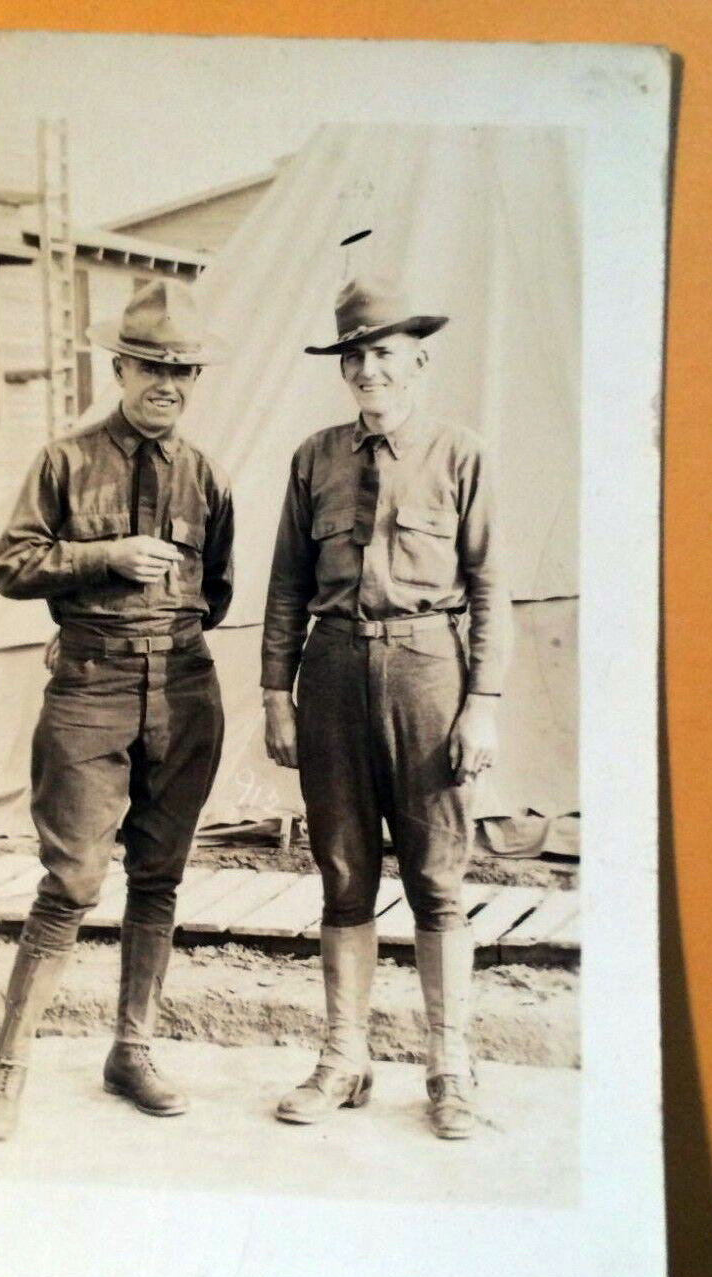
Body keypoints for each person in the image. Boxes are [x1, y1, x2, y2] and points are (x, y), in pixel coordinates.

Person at [0, 277, 234, 1140]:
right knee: (73, 881)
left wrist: (163, 645)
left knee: (157, 877)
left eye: (182, 371)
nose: (167, 384)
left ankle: (133, 1052)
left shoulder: (207, 477)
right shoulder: (64, 460)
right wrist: (104, 558)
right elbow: (11, 566)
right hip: (90, 687)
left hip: (184, 691)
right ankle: (7, 1069)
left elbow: (216, 593)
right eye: (152, 367)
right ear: (118, 369)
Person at [261, 274, 513, 1139]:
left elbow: (491, 586)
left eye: (383, 354)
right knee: (342, 876)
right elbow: (286, 585)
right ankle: (344, 1058)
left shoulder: (460, 453)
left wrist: (482, 703)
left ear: (418, 362)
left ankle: (450, 1068)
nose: (367, 370)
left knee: (437, 880)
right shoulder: (313, 458)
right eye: (353, 357)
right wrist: (276, 693)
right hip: (331, 673)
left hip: (427, 672)